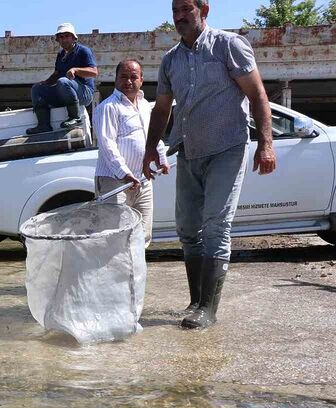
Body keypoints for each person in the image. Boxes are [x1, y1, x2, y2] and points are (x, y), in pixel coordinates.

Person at [142, 0, 276, 329]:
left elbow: (258, 94)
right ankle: (196, 299)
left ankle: (208, 309)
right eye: (175, 11)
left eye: (186, 9)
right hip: (188, 151)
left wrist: (266, 143)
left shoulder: (228, 46)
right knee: (188, 229)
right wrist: (149, 150)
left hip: (226, 149)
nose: (179, 17)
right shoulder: (170, 60)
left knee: (216, 226)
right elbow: (161, 110)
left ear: (204, 9)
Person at [93, 59, 170, 247]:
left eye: (133, 77)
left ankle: (137, 276)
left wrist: (161, 158)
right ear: (116, 80)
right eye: (123, 77)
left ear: (141, 80)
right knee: (115, 237)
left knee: (142, 236)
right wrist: (124, 173)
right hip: (115, 182)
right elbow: (107, 144)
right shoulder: (108, 107)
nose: (128, 81)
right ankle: (114, 277)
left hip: (143, 180)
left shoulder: (145, 105)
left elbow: (153, 136)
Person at [26, 22, 98, 135]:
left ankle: (75, 117)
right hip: (66, 91)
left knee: (63, 81)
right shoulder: (61, 55)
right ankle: (44, 125)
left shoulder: (84, 51)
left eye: (67, 36)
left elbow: (94, 72)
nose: (64, 39)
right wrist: (45, 83)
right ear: (58, 40)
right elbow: (57, 74)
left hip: (84, 93)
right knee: (37, 88)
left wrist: (76, 70)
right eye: (61, 37)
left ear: (74, 38)